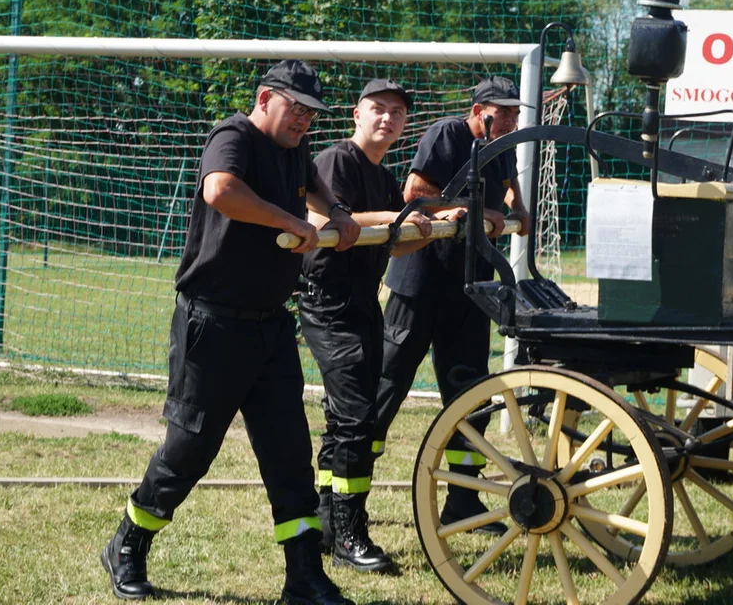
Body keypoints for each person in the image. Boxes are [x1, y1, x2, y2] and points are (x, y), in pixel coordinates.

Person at [100, 59, 361, 605]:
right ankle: (128, 544)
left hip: (271, 326)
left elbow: (314, 186)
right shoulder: (233, 134)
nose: (304, 122)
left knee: (290, 453)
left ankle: (304, 576)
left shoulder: (295, 152)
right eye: (296, 109)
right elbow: (221, 191)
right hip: (212, 324)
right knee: (189, 449)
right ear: (266, 98)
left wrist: (336, 212)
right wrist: (292, 221)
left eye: (312, 114)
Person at [372, 76, 531, 535]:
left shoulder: (501, 146)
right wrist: (463, 213)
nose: (514, 120)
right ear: (482, 111)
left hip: (469, 288)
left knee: (469, 398)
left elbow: (508, 195)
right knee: (386, 388)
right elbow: (416, 192)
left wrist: (517, 211)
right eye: (507, 113)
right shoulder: (448, 134)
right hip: (421, 286)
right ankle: (342, 500)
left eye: (517, 114)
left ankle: (463, 502)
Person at [299, 78, 433, 574]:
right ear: (357, 113)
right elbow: (340, 222)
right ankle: (350, 534)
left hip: (363, 304)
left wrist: (427, 230)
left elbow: (386, 242)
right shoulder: (337, 160)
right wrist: (401, 217)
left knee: (347, 418)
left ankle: (326, 523)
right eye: (378, 109)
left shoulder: (385, 174)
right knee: (357, 417)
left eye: (397, 113)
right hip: (329, 304)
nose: (387, 119)